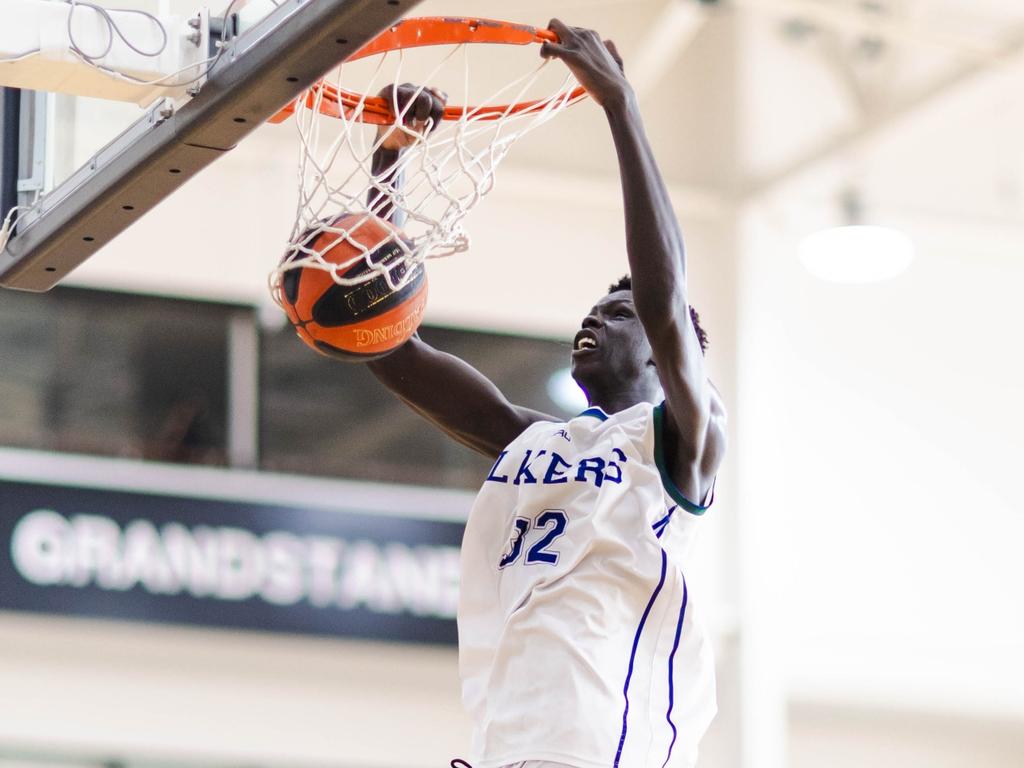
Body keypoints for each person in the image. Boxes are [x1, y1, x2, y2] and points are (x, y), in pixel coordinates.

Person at [366, 20, 727, 768]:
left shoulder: (684, 441)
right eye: (594, 309)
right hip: (509, 746)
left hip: (607, 747)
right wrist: (388, 161)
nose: (595, 316)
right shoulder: (531, 440)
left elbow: (665, 300)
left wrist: (620, 104)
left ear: (670, 359)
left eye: (617, 313)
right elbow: (390, 348)